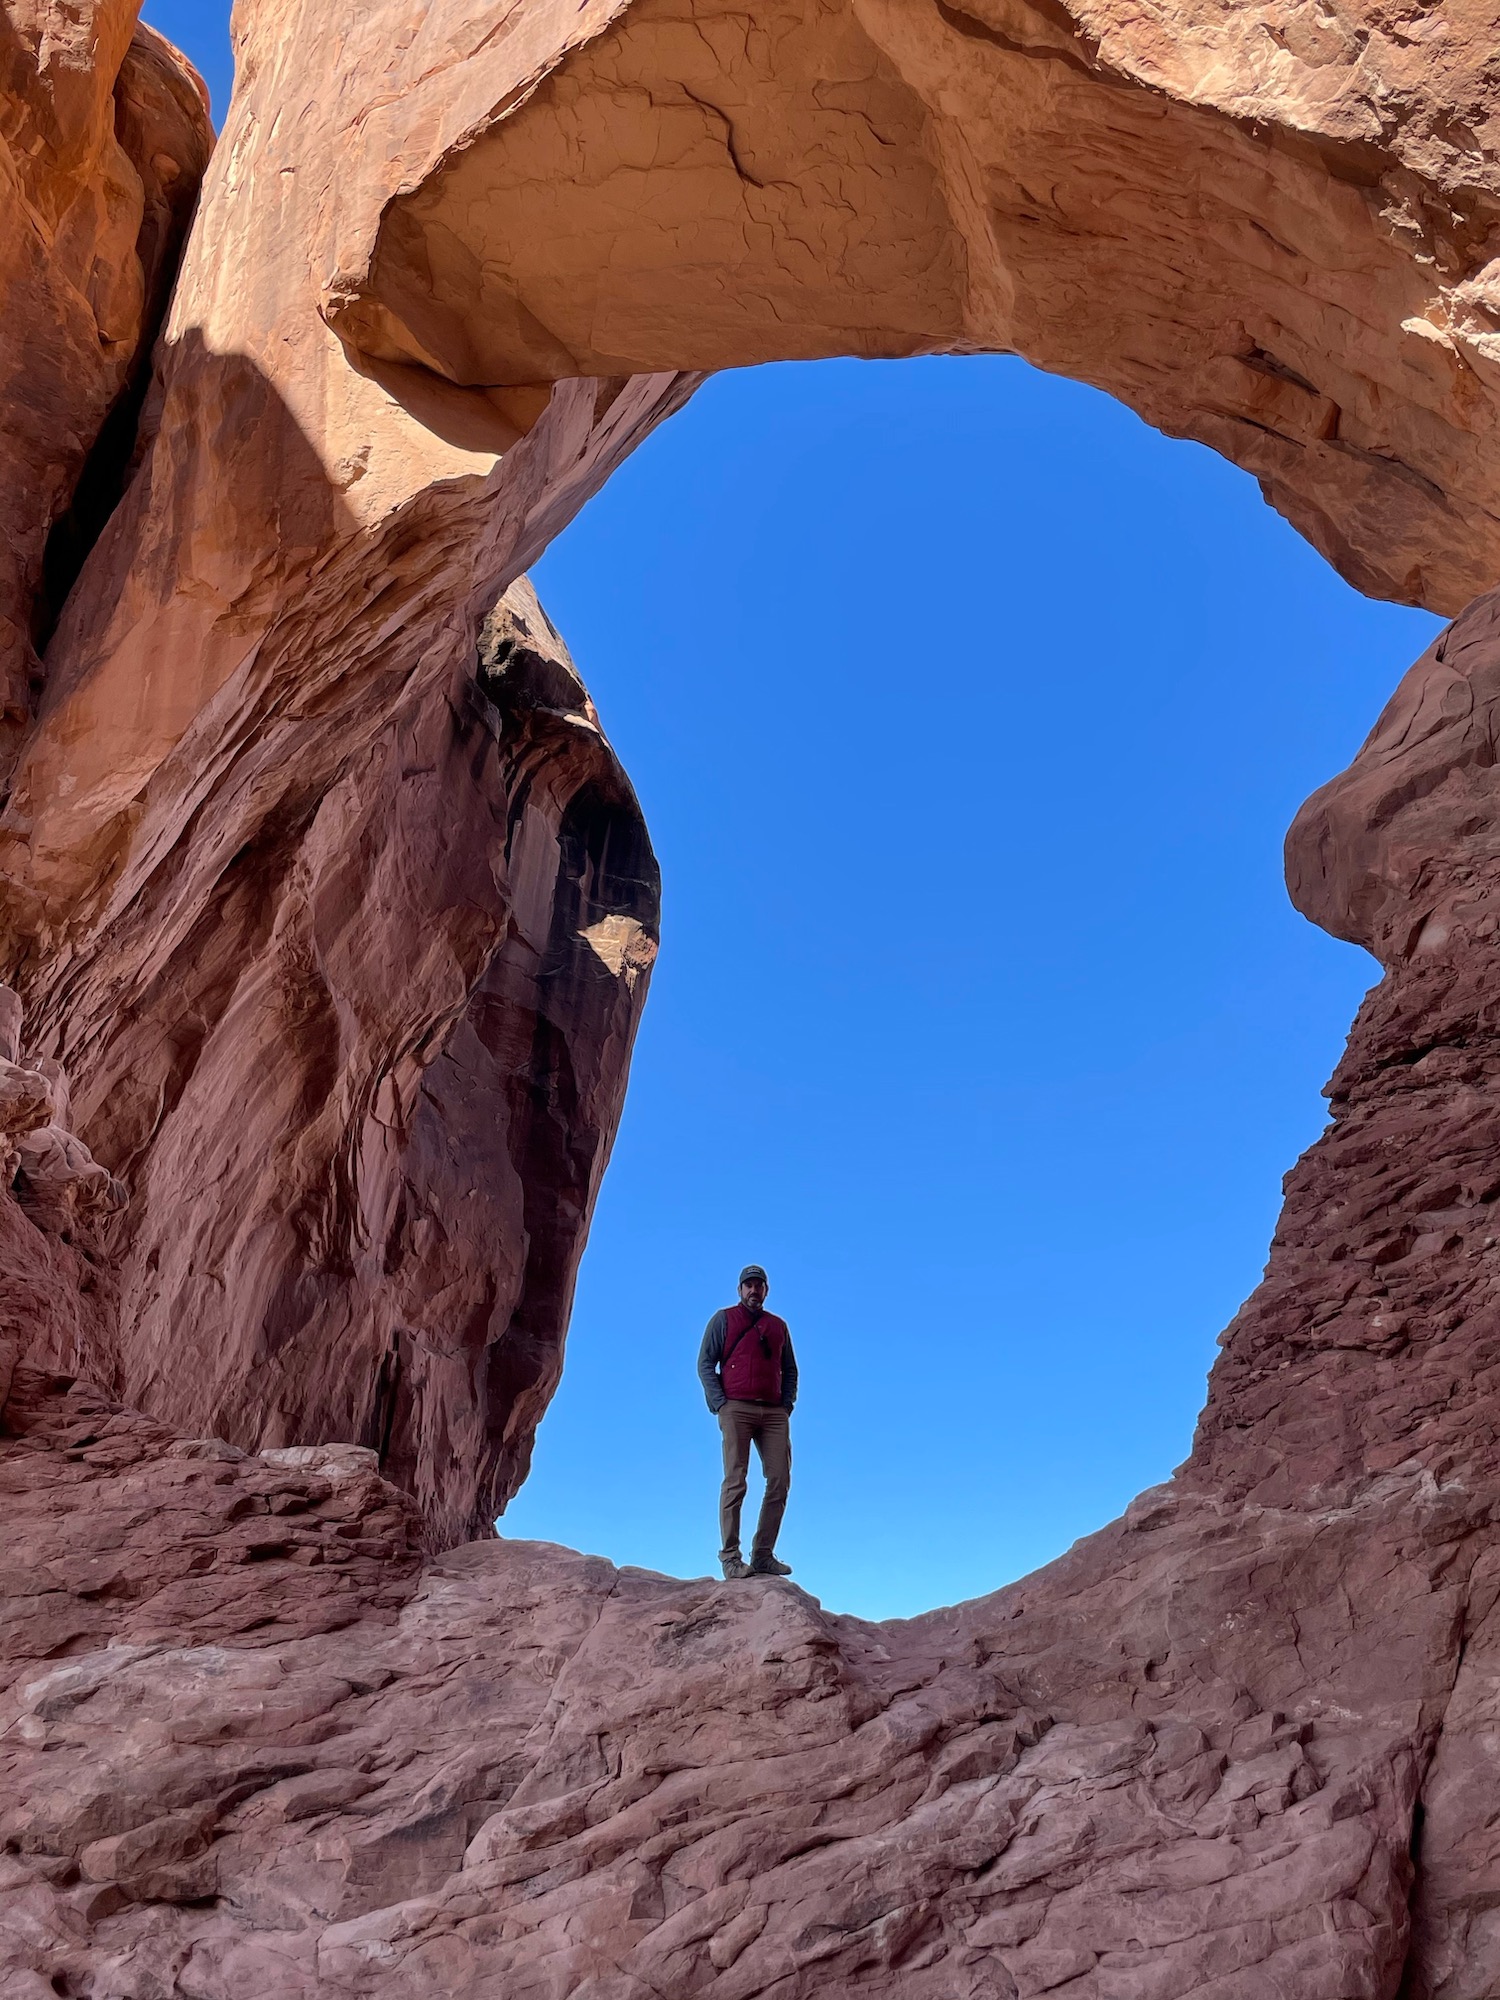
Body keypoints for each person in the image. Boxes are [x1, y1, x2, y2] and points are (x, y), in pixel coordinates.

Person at [697, 1264, 798, 1580]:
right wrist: (721, 1404)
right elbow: (705, 1364)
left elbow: (790, 1369)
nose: (754, 1290)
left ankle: (763, 1555)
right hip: (736, 1408)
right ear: (740, 1290)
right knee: (736, 1480)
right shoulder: (724, 1320)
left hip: (773, 1413)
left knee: (779, 1479)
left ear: (767, 1290)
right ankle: (730, 1558)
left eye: (759, 1286)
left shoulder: (778, 1326)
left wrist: (786, 1404)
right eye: (748, 1286)